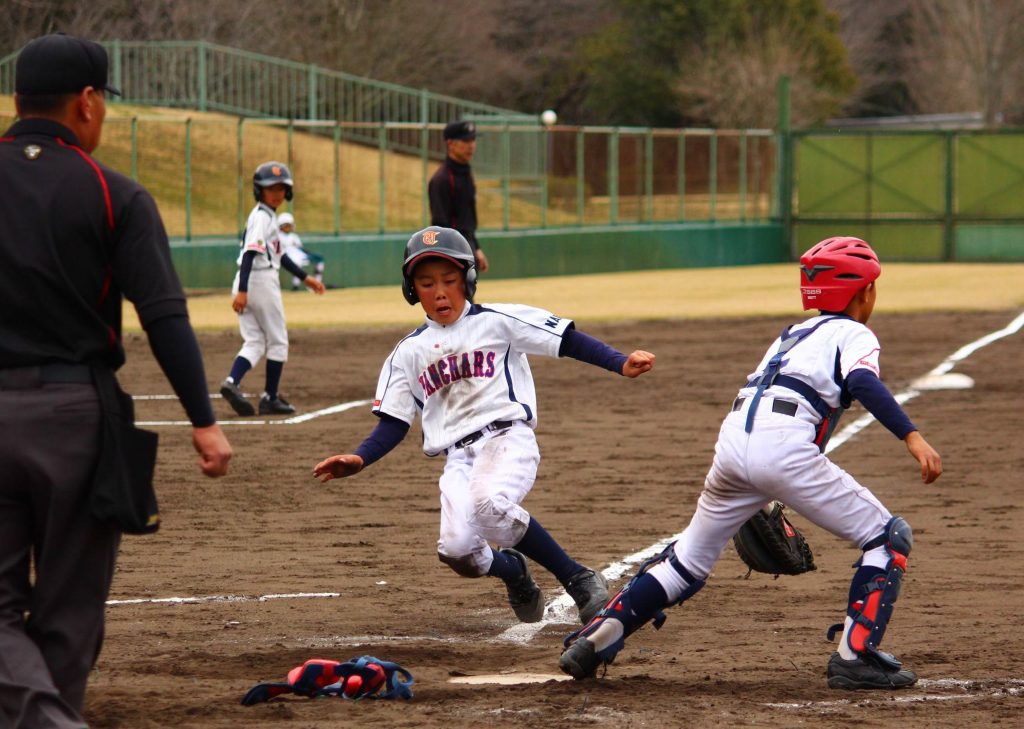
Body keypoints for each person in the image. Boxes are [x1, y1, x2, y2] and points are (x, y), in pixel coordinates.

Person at [558, 236, 943, 690]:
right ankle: (855, 657)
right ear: (865, 292)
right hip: (781, 447)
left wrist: (764, 487)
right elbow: (862, 381)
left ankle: (595, 640)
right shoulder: (854, 333)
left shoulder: (791, 335)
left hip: (732, 446)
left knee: (688, 561)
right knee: (887, 538)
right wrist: (911, 436)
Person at [0, 32, 233, 728]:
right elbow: (163, 315)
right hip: (75, 415)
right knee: (70, 607)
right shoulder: (114, 192)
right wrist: (203, 420)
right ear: (86, 102)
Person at [313, 226, 655, 626]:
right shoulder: (407, 353)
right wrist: (360, 458)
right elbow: (393, 421)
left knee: (488, 503)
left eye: (449, 280)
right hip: (457, 459)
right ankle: (514, 571)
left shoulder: (498, 321)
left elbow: (566, 340)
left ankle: (577, 577)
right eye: (426, 283)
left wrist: (619, 362)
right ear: (412, 290)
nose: (439, 292)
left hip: (507, 438)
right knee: (457, 550)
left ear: (468, 280)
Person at [219, 162, 326, 417]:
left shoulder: (268, 217)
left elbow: (280, 256)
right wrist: (243, 291)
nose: (277, 193)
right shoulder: (262, 217)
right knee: (278, 341)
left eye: (281, 188)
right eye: (270, 188)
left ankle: (232, 382)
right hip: (260, 283)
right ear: (260, 190)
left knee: (255, 341)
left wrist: (306, 278)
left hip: (251, 281)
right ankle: (270, 397)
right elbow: (249, 254)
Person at [428, 120, 489, 274]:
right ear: (450, 144)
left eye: (473, 140)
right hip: (453, 253)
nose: (471, 145)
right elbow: (440, 225)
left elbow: (466, 218)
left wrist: (476, 247)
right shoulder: (441, 179)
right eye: (466, 141)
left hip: (468, 247)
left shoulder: (465, 173)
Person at [277, 212, 327, 291]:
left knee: (319, 259)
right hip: (286, 258)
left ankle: (317, 283)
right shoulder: (277, 236)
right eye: (287, 225)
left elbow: (301, 248)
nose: (289, 227)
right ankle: (295, 287)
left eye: (290, 225)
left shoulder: (294, 236)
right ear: (281, 226)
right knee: (297, 263)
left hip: (299, 255)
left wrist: (309, 253)